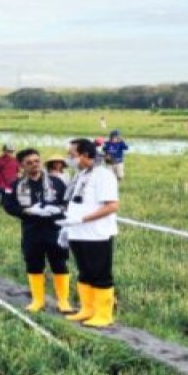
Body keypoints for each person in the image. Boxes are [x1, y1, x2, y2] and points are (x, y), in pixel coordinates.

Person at [3, 149, 73, 313]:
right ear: (21, 165)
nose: (35, 165)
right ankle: (38, 300)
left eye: (37, 161)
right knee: (34, 264)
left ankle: (63, 301)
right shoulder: (16, 185)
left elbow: (67, 202)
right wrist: (26, 211)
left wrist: (56, 209)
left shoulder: (56, 182)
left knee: (59, 264)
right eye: (29, 163)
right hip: (31, 230)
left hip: (54, 229)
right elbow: (8, 205)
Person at [59, 139, 120, 328]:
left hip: (96, 234)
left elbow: (112, 206)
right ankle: (87, 309)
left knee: (100, 274)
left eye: (72, 155)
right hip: (77, 232)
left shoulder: (104, 175)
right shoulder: (81, 174)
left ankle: (104, 314)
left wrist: (83, 219)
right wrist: (67, 227)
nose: (69, 159)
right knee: (84, 272)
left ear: (85, 155)